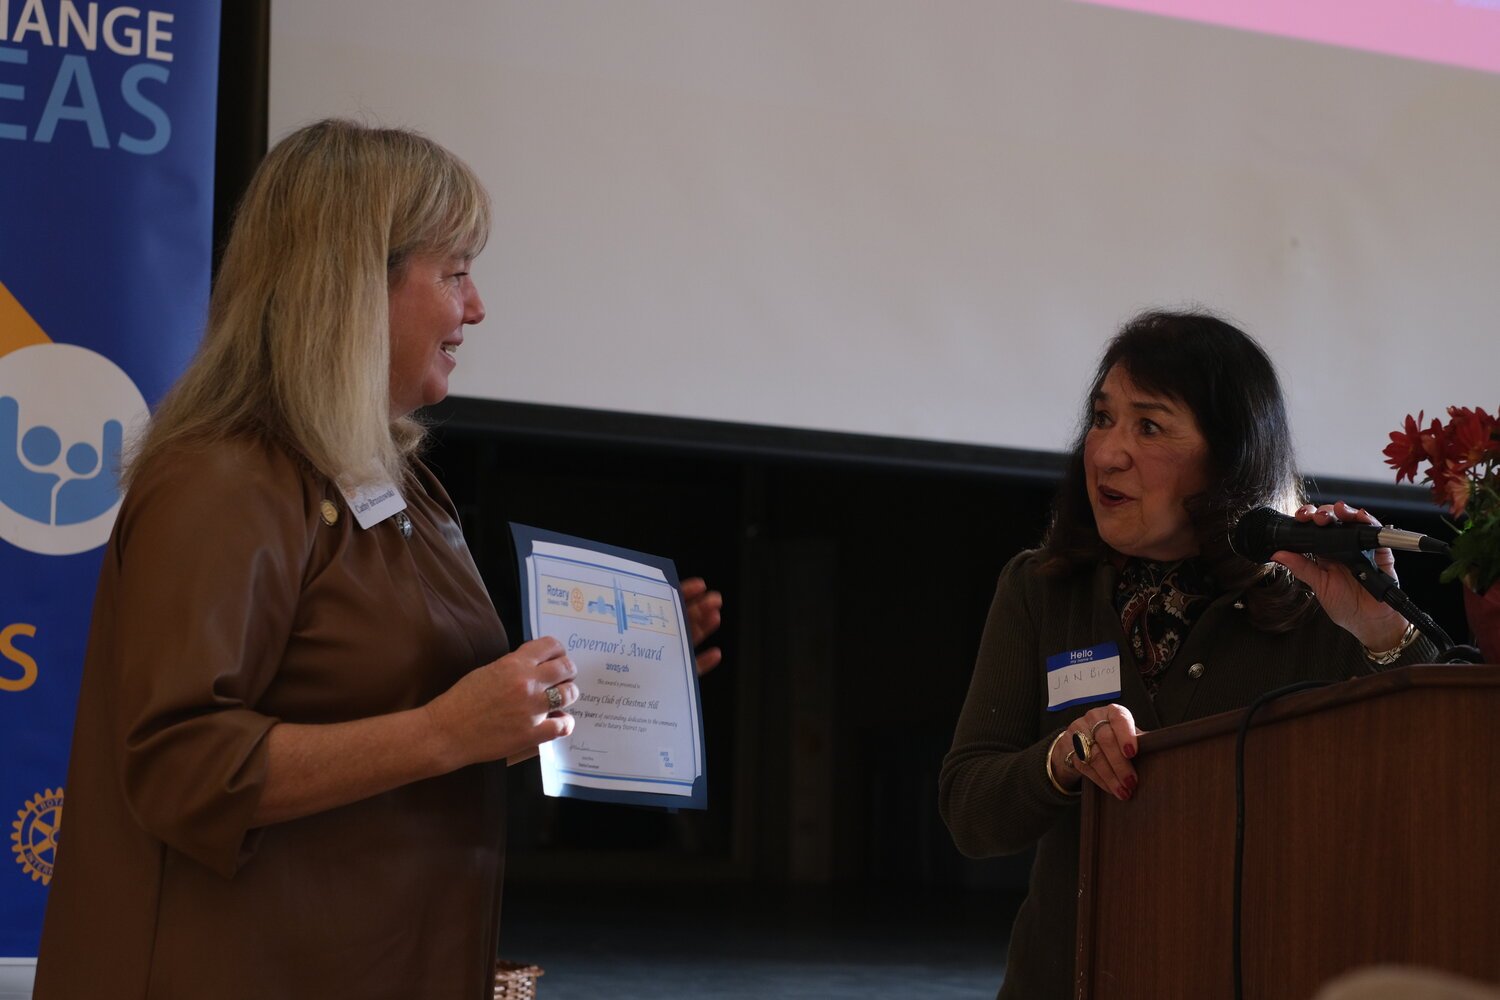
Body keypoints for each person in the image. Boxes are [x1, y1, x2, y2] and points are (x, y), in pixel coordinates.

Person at [34, 120, 723, 999]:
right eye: (457, 274)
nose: (476, 310)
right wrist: (443, 733)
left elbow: (414, 714)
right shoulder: (223, 480)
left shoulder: (396, 486)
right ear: (355, 284)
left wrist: (622, 676)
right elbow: (181, 767)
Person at [938, 309, 1436, 1000]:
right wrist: (1060, 759)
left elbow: (1447, 785)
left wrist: (1384, 633)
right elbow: (969, 810)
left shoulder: (1318, 597)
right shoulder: (1042, 587)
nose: (1107, 452)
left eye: (1148, 426)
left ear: (1229, 458)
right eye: (1102, 417)